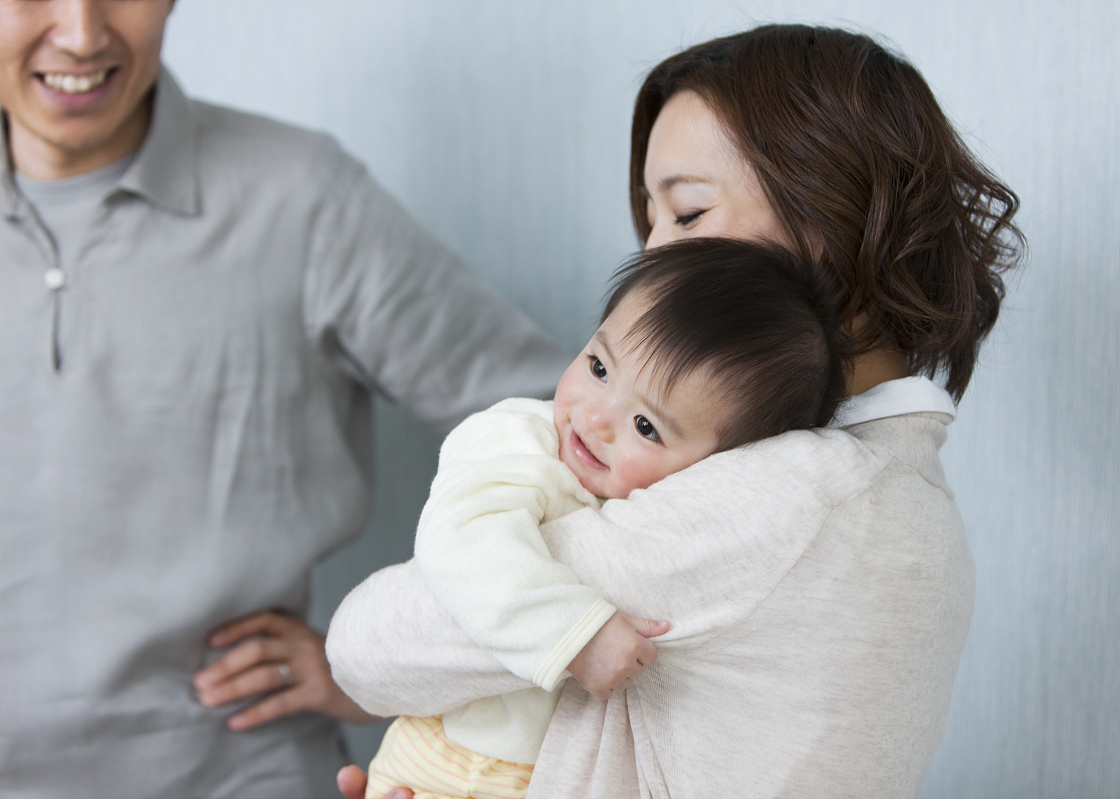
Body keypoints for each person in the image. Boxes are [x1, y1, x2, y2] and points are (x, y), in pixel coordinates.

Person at [328, 23, 1024, 799]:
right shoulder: (900, 491)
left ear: (834, 215)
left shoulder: (791, 492)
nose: (657, 256)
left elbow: (368, 647)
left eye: (688, 214)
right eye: (651, 217)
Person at [0, 1, 567, 797]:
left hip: (236, 772)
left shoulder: (302, 198)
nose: (83, 33)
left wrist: (387, 662)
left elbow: (569, 436)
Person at [362, 238, 850, 799]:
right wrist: (576, 636)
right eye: (598, 367)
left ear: (717, 471)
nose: (595, 417)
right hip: (451, 756)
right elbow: (461, 543)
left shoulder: (682, 518)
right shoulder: (517, 440)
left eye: (647, 426)